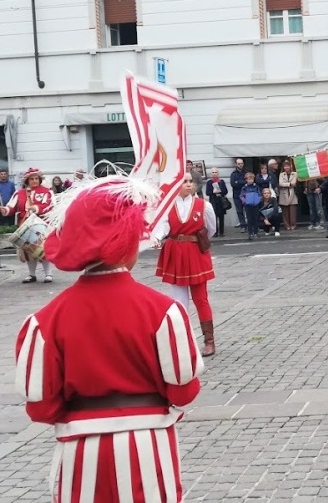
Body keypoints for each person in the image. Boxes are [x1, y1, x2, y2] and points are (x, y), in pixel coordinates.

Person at [14, 175, 203, 502]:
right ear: (126, 240)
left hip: (80, 449)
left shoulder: (43, 321)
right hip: (149, 444)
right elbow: (183, 391)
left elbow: (41, 408)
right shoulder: (164, 311)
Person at [154, 173, 218, 356]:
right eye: (184, 181)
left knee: (201, 299)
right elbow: (163, 226)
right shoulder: (168, 206)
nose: (188, 184)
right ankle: (183, 342)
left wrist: (194, 241)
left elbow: (210, 229)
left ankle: (209, 341)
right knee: (179, 300)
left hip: (196, 253)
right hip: (175, 253)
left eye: (191, 181)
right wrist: (157, 238)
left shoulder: (204, 205)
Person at [0, 168, 54, 283]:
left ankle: (48, 274)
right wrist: (4, 210)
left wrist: (36, 208)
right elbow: (11, 207)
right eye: (31, 179)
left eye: (36, 179)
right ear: (27, 181)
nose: (34, 181)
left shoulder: (46, 191)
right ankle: (32, 275)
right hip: (24, 225)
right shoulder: (19, 193)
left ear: (39, 180)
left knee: (42, 249)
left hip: (41, 225)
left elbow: (49, 205)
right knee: (28, 250)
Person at [205, 167, 229, 237]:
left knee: (221, 217)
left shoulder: (221, 181)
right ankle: (215, 232)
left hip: (221, 201)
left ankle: (221, 232)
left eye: (215, 172)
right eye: (213, 172)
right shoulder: (209, 182)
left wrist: (220, 192)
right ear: (211, 174)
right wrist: (213, 192)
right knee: (214, 217)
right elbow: (207, 192)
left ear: (218, 173)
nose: (214, 174)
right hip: (213, 201)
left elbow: (225, 191)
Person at [239, 172, 262, 240]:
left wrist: (258, 201)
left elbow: (259, 195)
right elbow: (241, 196)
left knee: (255, 218)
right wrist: (245, 201)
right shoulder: (244, 188)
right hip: (248, 205)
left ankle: (256, 232)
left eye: (251, 179)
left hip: (255, 205)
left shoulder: (256, 187)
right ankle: (250, 233)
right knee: (249, 219)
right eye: (248, 179)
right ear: (246, 180)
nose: (250, 180)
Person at [278, 160, 298, 230]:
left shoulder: (294, 174)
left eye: (288, 166)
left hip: (292, 193)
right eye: (285, 166)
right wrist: (289, 184)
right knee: (285, 211)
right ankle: (287, 225)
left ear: (290, 166)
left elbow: (294, 182)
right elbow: (280, 183)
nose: (286, 167)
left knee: (293, 210)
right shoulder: (281, 174)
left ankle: (293, 225)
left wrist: (286, 184)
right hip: (283, 194)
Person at [230, 158, 247, 230]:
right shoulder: (233, 174)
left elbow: (248, 181)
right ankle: (243, 225)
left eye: (241, 163)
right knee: (239, 211)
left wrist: (239, 182)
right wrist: (242, 182)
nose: (240, 165)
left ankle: (249, 225)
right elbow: (233, 184)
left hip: (246, 195)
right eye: (239, 163)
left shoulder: (246, 172)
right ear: (236, 164)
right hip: (237, 195)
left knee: (248, 210)